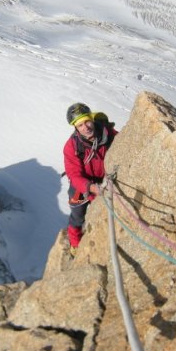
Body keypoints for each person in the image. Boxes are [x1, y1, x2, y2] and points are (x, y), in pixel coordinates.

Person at [63, 102, 118, 255]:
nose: (85, 127)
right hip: (81, 186)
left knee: (102, 212)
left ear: (92, 119)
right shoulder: (72, 146)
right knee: (77, 216)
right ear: (75, 128)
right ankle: (75, 244)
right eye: (80, 125)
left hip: (102, 181)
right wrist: (90, 187)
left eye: (87, 121)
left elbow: (123, 146)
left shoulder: (108, 134)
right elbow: (74, 175)